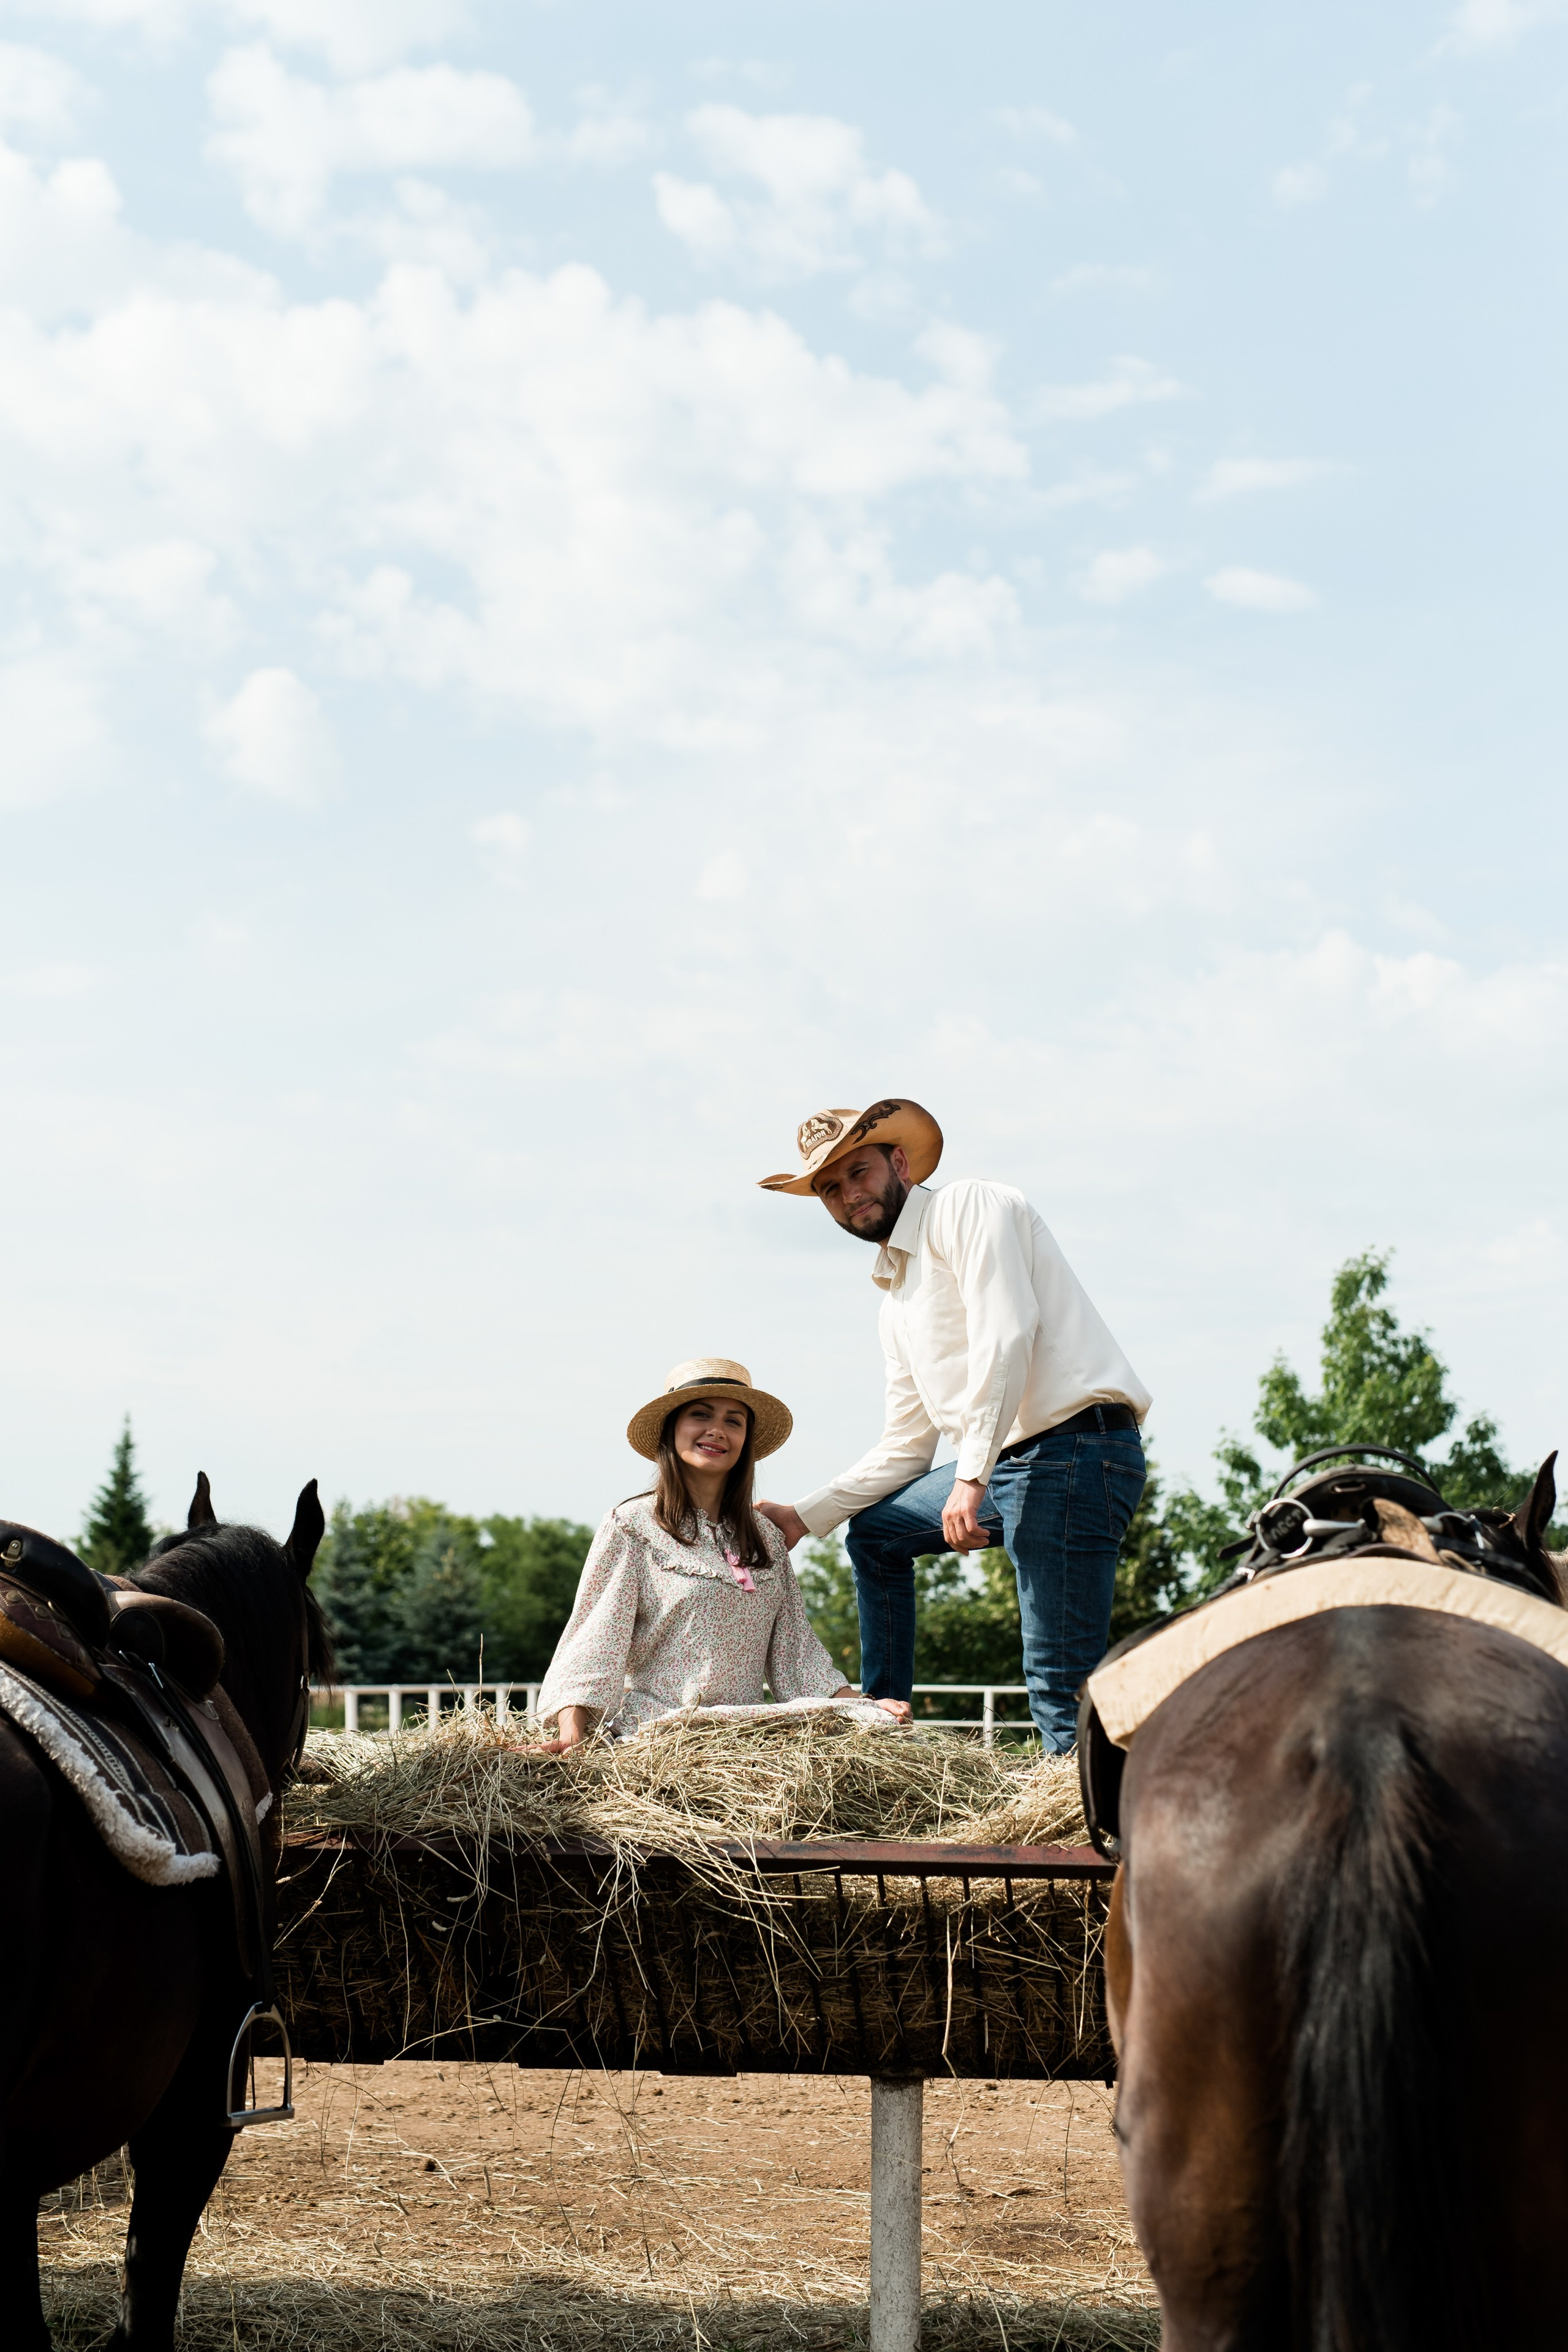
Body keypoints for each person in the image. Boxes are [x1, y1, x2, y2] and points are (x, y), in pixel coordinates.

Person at [754, 1101, 1151, 1753]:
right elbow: (906, 1447)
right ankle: (881, 1730)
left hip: (1074, 1451)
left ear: (900, 1163)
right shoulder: (895, 1303)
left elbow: (1007, 1332)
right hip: (1008, 1467)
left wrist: (969, 1479)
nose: (848, 1194)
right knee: (875, 1536)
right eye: (829, 1188)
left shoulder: (968, 1206)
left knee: (1057, 1684)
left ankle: (1089, 1811)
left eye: (858, 1172)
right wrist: (803, 1515)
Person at [532, 1356, 911, 1747]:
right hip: (660, 1732)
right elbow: (596, 1639)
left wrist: (862, 1706)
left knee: (877, 1723)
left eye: (734, 1421)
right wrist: (572, 1735)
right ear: (671, 1429)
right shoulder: (633, 1524)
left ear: (745, 1440)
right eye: (701, 1415)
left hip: (746, 1734)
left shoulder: (766, 1537)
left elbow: (796, 1651)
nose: (717, 1430)